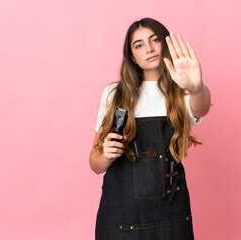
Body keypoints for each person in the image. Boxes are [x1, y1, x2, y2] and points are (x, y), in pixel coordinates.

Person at [89, 17, 211, 239]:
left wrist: (196, 88)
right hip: (122, 219)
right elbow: (95, 164)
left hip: (171, 215)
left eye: (155, 40)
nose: (149, 48)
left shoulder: (182, 90)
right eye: (139, 45)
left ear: (165, 44)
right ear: (132, 57)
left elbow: (201, 107)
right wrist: (106, 154)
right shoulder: (113, 94)